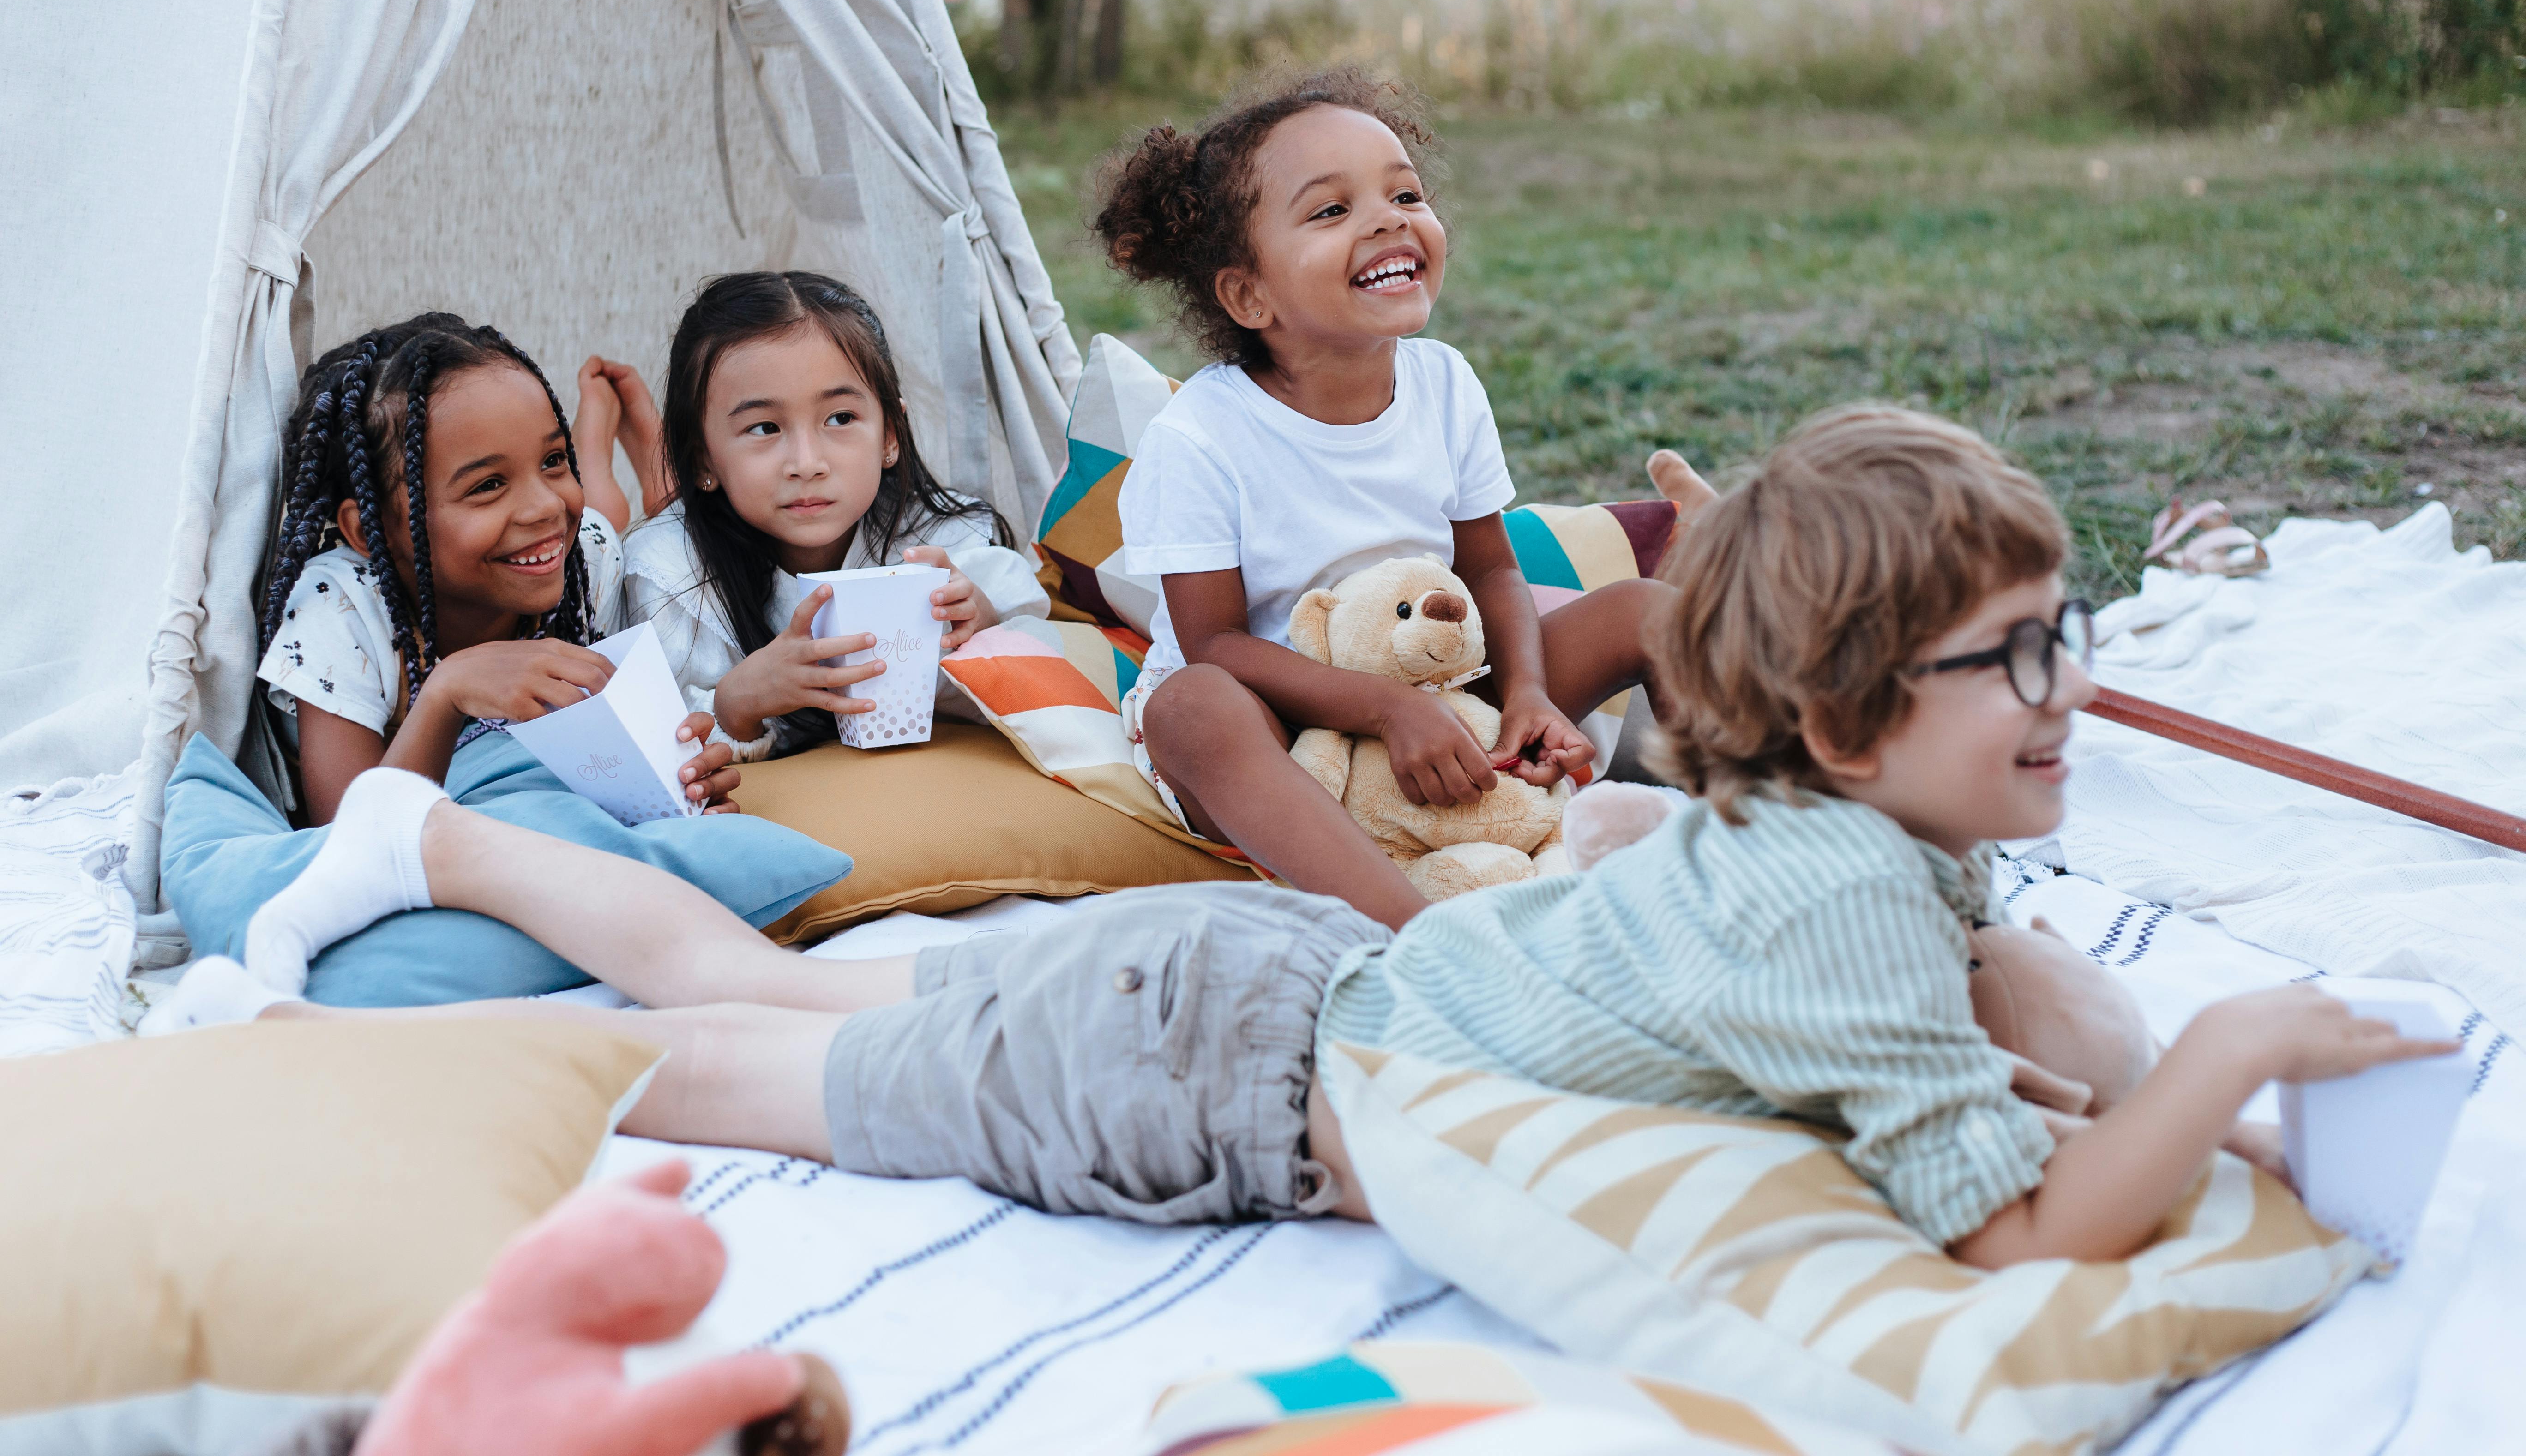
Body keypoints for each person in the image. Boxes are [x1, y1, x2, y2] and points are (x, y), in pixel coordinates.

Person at [143, 404, 2456, 1261]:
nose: (2068, 702)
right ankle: (332, 982)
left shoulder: (1830, 851)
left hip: (1259, 1002)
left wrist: (2152, 1058)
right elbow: (2029, 1220)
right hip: (1211, 1070)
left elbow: (2016, 999)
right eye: (2019, 660)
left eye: (2064, 641)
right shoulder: (1833, 913)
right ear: (1852, 720)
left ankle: (436, 865)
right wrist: (2220, 1056)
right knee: (692, 1064)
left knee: (761, 997)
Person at [1090, 69, 1679, 928]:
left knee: (1645, 611)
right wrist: (1384, 708)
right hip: (1281, 732)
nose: (1387, 218)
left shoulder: (1443, 383)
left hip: (1442, 686)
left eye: (1404, 192)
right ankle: (1423, 940)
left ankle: (1772, 834)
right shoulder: (1200, 437)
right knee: (1192, 708)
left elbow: (1490, 568)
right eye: (1331, 211)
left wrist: (1525, 693)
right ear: (1249, 294)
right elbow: (1213, 642)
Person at [156, 315, 839, 1007]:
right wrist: (447, 694)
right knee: (590, 515)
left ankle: (609, 460)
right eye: (487, 486)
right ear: (373, 530)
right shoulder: (339, 612)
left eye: (553, 458)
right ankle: (608, 460)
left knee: (603, 518)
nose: (542, 504)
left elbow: (621, 735)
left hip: (584, 549)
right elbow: (351, 844)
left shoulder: (582, 562)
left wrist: (685, 774)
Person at [622, 272, 1046, 762]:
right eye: (764, 427)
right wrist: (737, 703)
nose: (807, 464)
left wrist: (983, 628)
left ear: (890, 435)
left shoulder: (945, 543)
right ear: (702, 460)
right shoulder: (673, 574)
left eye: (840, 419)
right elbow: (652, 745)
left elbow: (1044, 661)